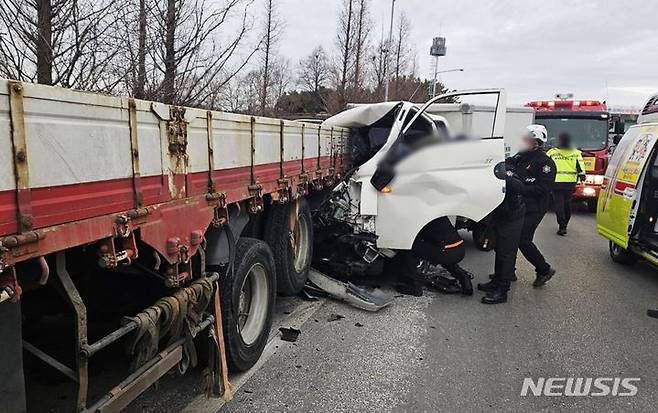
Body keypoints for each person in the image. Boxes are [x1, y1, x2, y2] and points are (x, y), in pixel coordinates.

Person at [478, 125, 557, 304]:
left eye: (526, 139)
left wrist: (521, 188)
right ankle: (504, 275)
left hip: (533, 208)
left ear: (536, 142)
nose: (522, 142)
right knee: (503, 241)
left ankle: (543, 269)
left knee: (520, 240)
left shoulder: (545, 163)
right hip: (514, 207)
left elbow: (543, 188)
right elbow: (507, 167)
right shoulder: (520, 157)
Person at [392, 216, 473, 297]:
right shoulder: (434, 210)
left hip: (445, 250)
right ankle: (463, 277)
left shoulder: (416, 214)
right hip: (459, 248)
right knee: (442, 250)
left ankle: (412, 285)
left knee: (407, 246)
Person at [547, 133, 586, 235]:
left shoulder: (552, 152)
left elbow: (546, 166)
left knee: (559, 204)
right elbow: (580, 167)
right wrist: (582, 177)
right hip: (570, 182)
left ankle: (562, 225)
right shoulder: (576, 153)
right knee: (567, 203)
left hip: (556, 182)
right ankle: (565, 223)